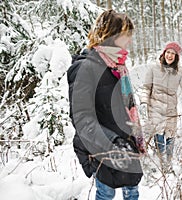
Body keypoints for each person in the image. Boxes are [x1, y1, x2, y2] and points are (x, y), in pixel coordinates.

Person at [67, 9, 145, 200]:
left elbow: (126, 107)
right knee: (106, 192)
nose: (129, 41)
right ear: (109, 35)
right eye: (125, 36)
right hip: (101, 147)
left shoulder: (119, 67)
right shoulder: (84, 68)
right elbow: (81, 118)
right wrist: (112, 142)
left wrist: (133, 138)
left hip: (125, 144)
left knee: (132, 191)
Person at [139, 41, 182, 170]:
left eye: (173, 54)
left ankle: (168, 166)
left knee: (170, 138)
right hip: (155, 109)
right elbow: (146, 88)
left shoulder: (180, 72)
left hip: (171, 111)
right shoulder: (153, 68)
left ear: (176, 57)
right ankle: (160, 165)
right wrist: (143, 103)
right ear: (164, 53)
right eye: (168, 52)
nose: (170, 55)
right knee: (159, 138)